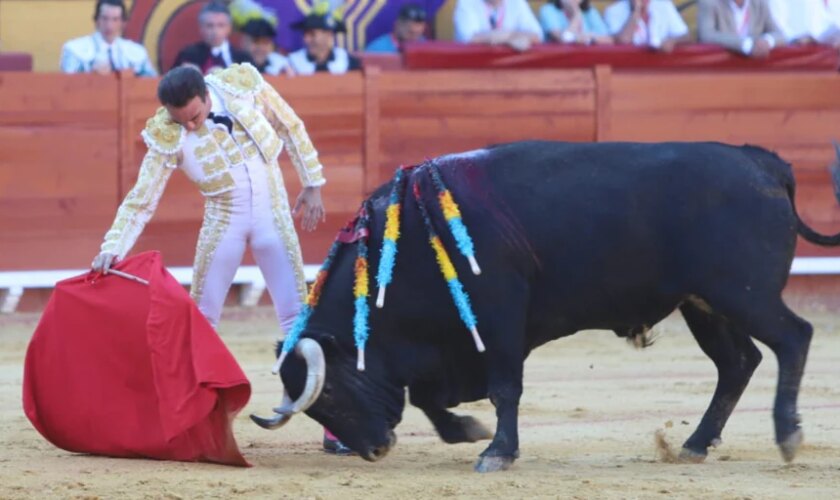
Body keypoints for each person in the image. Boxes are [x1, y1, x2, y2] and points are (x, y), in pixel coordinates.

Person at [60, 0, 156, 76]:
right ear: (96, 20)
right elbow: (67, 86)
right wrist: (90, 74)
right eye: (105, 18)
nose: (109, 26)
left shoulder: (137, 52)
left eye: (115, 19)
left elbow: (152, 86)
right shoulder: (74, 49)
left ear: (123, 22)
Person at [173, 2, 253, 74]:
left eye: (221, 25)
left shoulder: (243, 58)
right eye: (209, 25)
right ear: (201, 28)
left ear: (229, 28)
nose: (215, 31)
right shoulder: (188, 55)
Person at [697, 0, 785, 58]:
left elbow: (780, 34)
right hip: (722, 70)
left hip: (756, 71)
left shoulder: (760, 2)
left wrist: (766, 41)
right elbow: (706, 35)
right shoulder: (709, 2)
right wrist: (746, 44)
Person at [287, 9, 362, 75]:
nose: (306, 39)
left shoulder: (347, 61)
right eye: (305, 34)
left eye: (312, 34)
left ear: (329, 35)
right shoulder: (292, 62)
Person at [453, 0, 544, 51]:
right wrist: (510, 38)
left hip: (511, 70)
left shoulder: (517, 2)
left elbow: (537, 35)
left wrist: (497, 37)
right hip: (471, 68)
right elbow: (470, 38)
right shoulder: (466, 2)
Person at [605, 0, 690, 52]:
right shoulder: (613, 11)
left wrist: (672, 41)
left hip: (662, 65)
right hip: (629, 70)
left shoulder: (664, 5)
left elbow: (685, 36)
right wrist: (636, 11)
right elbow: (623, 40)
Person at [540, 0, 613, 44]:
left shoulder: (590, 11)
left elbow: (609, 39)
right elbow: (563, 38)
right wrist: (576, 13)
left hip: (588, 58)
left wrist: (591, 38)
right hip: (560, 62)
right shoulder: (548, 10)